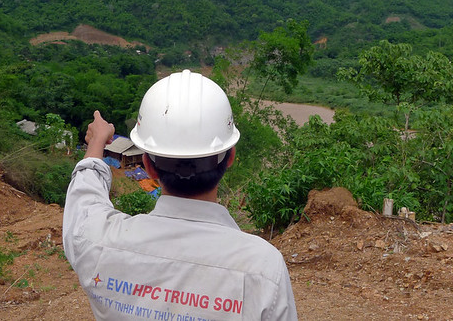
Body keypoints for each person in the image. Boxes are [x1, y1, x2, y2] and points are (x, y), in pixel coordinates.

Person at [63, 70, 298, 320]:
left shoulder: (97, 240)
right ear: (230, 158)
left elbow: (84, 198)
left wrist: (97, 142)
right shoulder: (262, 268)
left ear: (148, 166)